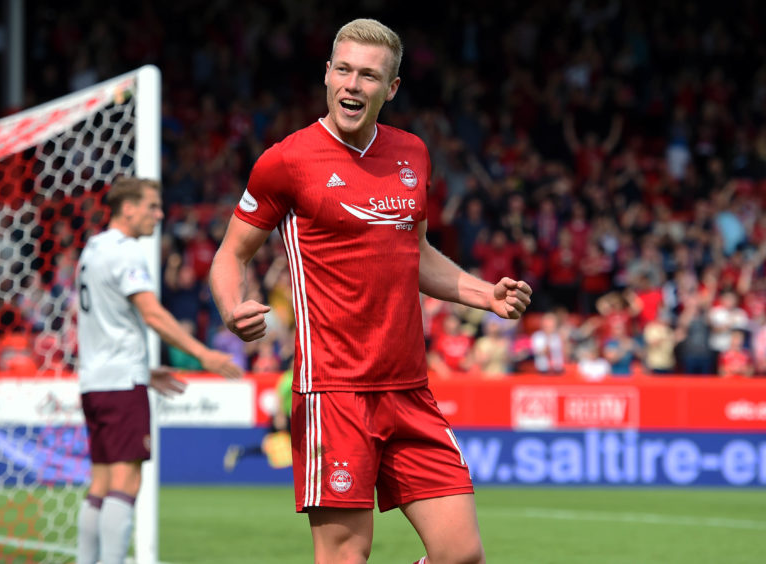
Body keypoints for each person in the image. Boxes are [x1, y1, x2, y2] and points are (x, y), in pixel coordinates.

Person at [209, 19, 532, 564]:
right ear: (327, 75)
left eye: (369, 75)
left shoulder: (412, 154)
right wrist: (230, 307)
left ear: (392, 88)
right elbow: (231, 253)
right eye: (344, 70)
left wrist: (484, 294)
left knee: (462, 553)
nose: (353, 85)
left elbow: (416, 252)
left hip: (409, 389)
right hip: (333, 391)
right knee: (343, 557)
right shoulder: (287, 160)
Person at [75, 176, 242, 564]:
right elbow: (151, 312)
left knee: (100, 482)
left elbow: (103, 322)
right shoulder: (126, 252)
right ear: (127, 208)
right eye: (151, 206)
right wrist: (205, 355)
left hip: (96, 381)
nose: (159, 214)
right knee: (126, 480)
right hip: (120, 384)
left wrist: (146, 371)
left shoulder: (92, 249)